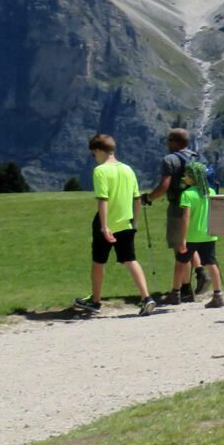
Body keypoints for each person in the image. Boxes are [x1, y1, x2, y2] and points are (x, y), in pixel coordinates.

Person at [77, 134, 157, 316]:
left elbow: (103, 200)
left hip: (107, 224)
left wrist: (104, 226)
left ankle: (95, 301)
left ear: (98, 151)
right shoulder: (128, 169)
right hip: (126, 222)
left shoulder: (100, 171)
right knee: (130, 259)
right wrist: (134, 222)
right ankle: (146, 298)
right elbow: (137, 199)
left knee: (98, 262)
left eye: (93, 154)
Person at [140, 128, 205, 304]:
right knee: (192, 242)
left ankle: (183, 291)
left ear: (174, 142)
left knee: (180, 247)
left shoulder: (170, 160)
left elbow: (164, 186)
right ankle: (200, 273)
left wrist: (148, 198)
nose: (167, 143)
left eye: (168, 140)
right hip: (200, 206)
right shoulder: (198, 157)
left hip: (179, 207)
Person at [178, 165, 224, 308]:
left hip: (192, 235)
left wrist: (182, 238)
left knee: (181, 262)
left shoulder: (187, 194)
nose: (184, 177)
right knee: (211, 264)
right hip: (209, 234)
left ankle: (177, 292)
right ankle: (218, 294)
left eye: (186, 175)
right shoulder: (210, 191)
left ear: (193, 177)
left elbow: (186, 217)